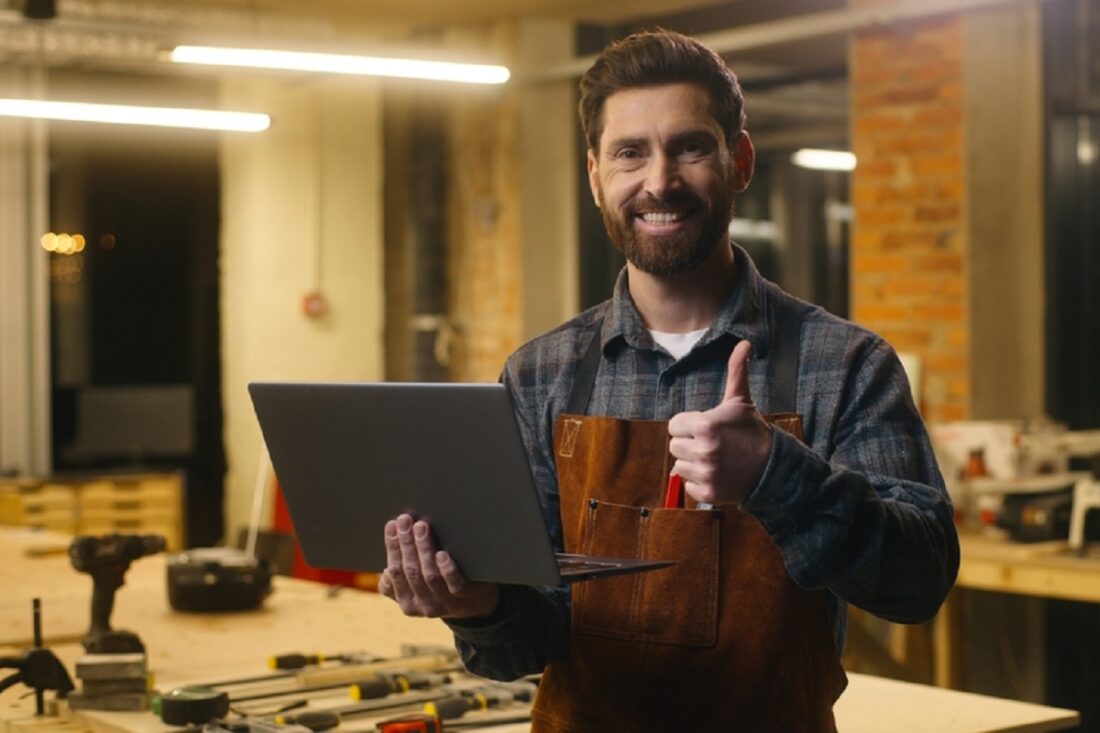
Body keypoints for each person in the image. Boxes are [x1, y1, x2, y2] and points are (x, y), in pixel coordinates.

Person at [379, 29, 959, 731]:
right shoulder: (539, 376)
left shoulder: (844, 364)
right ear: (595, 177)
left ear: (738, 160)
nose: (659, 181)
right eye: (630, 153)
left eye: (689, 146)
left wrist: (778, 476)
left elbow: (919, 580)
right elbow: (534, 639)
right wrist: (477, 606)